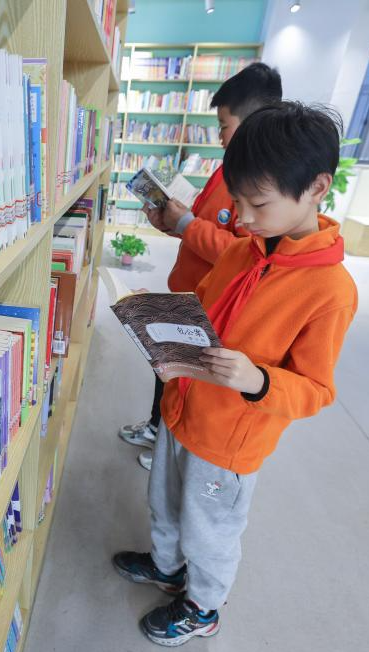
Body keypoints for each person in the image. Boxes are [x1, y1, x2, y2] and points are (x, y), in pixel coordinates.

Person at [112, 101, 358, 647]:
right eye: (238, 200)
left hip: (229, 442)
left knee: (211, 530)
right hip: (181, 409)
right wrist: (157, 316)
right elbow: (201, 307)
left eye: (258, 203)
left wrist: (258, 381)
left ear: (317, 188)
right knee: (164, 504)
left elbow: (316, 391)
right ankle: (167, 568)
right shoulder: (243, 251)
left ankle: (203, 606)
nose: (241, 217)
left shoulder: (330, 291)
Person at [119, 63, 282, 471]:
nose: (220, 136)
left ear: (254, 122)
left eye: (224, 125)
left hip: (206, 304)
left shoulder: (257, 187)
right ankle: (158, 427)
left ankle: (169, 437)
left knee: (182, 372)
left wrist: (188, 225)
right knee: (166, 365)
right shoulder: (227, 169)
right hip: (188, 291)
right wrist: (174, 224)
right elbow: (205, 228)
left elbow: (241, 252)